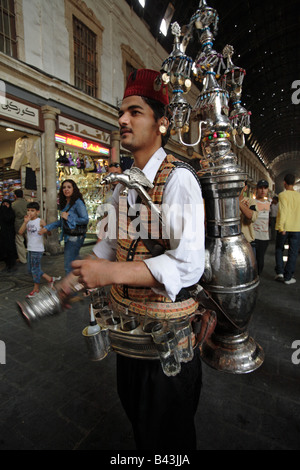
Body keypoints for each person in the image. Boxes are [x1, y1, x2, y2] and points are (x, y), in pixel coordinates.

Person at [61, 69, 205, 450]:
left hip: (168, 350)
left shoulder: (179, 180)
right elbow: (110, 245)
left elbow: (189, 264)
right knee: (142, 428)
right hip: (130, 341)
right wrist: (70, 280)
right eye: (121, 113)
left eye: (135, 112)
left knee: (168, 441)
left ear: (162, 123)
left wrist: (109, 273)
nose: (122, 120)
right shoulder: (124, 187)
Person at [40, 179, 89, 274]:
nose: (66, 189)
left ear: (74, 189)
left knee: (68, 266)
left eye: (69, 187)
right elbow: (62, 222)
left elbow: (85, 219)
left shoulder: (77, 202)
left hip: (75, 237)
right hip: (68, 236)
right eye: (64, 187)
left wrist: (69, 218)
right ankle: (85, 279)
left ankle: (69, 287)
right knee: (75, 262)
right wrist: (48, 227)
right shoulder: (66, 203)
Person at [18, 202, 60, 298]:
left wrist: (44, 230)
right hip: (30, 248)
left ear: (37, 212)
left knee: (35, 269)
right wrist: (25, 222)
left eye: (32, 211)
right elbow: (20, 232)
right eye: (28, 210)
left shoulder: (40, 221)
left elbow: (48, 234)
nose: (30, 212)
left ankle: (36, 289)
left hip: (38, 249)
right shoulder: (27, 221)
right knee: (30, 270)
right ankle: (49, 279)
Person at [274, 173, 300, 284]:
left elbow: (283, 211)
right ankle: (288, 277)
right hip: (297, 228)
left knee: (279, 249)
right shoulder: (299, 196)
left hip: (284, 227)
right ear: (294, 183)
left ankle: (280, 272)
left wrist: (281, 227)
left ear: (284, 183)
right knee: (293, 253)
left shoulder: (282, 195)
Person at [96, 162, 122, 241]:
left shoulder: (128, 191)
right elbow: (106, 216)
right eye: (111, 174)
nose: (113, 176)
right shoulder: (109, 194)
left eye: (116, 173)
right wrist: (100, 237)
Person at [253, 179, 270, 275]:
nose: (263, 190)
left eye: (265, 188)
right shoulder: (252, 202)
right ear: (257, 189)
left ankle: (257, 276)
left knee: (260, 260)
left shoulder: (269, 204)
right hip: (253, 236)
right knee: (252, 260)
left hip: (264, 237)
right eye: (260, 188)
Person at [239, 181, 258, 253]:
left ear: (245, 188)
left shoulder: (251, 202)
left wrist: (237, 202)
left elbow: (251, 216)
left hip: (247, 243)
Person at [0, 199, 18, 272]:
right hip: (2, 234)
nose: (5, 206)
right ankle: (7, 264)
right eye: (3, 204)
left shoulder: (11, 213)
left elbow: (9, 219)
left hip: (10, 233)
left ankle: (12, 264)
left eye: (6, 204)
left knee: (10, 248)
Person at [12, 189, 28, 264]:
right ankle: (31, 257)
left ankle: (23, 259)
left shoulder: (13, 205)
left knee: (20, 242)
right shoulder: (27, 203)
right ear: (22, 195)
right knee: (30, 241)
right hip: (28, 224)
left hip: (18, 225)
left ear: (15, 195)